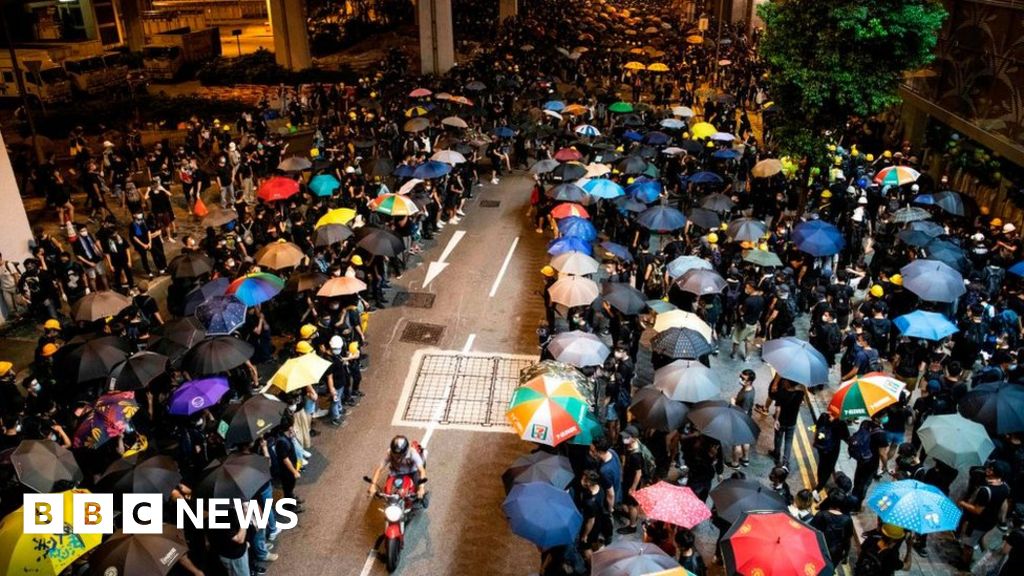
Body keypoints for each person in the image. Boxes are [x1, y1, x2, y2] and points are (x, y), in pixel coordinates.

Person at [959, 460, 1011, 568]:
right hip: (990, 522)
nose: (988, 469)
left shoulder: (985, 491)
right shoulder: (1005, 487)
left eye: (991, 469)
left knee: (968, 545)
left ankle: (964, 565)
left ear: (995, 472)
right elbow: (1004, 504)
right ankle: (985, 555)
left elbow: (977, 510)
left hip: (977, 523)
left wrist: (962, 503)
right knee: (980, 538)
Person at [367, 435, 427, 503]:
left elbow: (422, 470)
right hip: (396, 472)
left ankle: (421, 505)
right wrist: (372, 485)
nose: (397, 457)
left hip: (412, 472)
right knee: (387, 492)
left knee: (420, 496)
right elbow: (379, 469)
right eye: (395, 454)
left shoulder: (412, 453)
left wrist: (421, 488)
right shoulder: (390, 453)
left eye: (400, 455)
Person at [811, 495, 854, 568]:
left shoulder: (820, 515)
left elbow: (810, 532)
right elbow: (847, 539)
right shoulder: (847, 520)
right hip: (834, 553)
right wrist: (846, 554)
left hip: (817, 549)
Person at [770, 378, 805, 467]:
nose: (783, 382)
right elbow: (802, 390)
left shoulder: (781, 392)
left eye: (785, 381)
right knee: (788, 441)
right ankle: (785, 462)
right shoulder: (800, 393)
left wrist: (776, 420)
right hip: (792, 421)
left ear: (788, 383)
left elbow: (778, 408)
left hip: (781, 421)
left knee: (778, 439)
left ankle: (777, 455)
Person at [617, 425, 645, 534]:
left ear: (633, 438)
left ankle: (632, 526)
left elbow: (638, 473)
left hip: (632, 482)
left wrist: (633, 488)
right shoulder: (633, 445)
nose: (624, 439)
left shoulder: (635, 456)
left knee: (632, 505)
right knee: (632, 503)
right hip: (629, 479)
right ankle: (633, 516)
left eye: (627, 437)